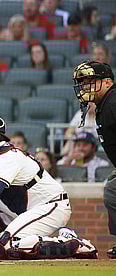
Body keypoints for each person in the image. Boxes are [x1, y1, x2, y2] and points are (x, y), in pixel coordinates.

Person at [0, 112, 97, 261]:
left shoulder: (5, 157)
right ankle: (9, 236)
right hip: (31, 208)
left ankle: (71, 242)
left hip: (52, 206)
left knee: (6, 247)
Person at [72, 61, 116, 258]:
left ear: (107, 82)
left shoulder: (113, 102)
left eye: (90, 81)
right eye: (83, 83)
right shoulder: (104, 104)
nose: (85, 87)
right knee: (112, 191)